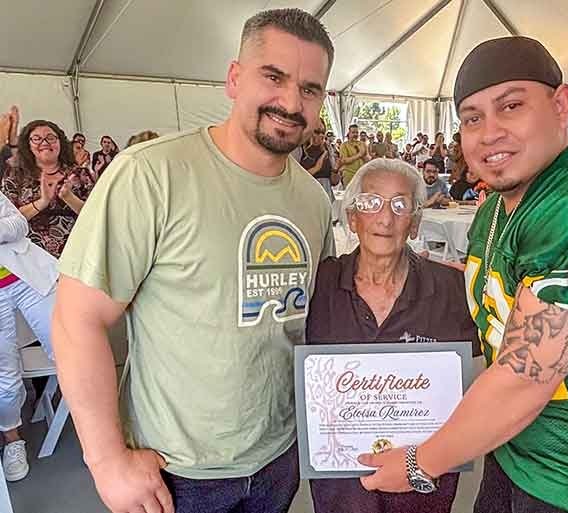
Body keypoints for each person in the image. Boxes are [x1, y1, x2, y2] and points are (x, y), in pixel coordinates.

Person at [358, 36, 568, 513]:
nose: (489, 133)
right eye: (472, 118)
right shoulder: (496, 213)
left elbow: (524, 379)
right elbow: (494, 294)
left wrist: (419, 463)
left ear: (559, 105)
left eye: (510, 106)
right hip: (515, 456)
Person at [52, 9, 336, 513]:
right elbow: (77, 320)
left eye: (310, 89)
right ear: (233, 78)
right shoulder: (151, 174)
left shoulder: (313, 200)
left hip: (278, 459)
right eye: (274, 77)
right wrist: (107, 461)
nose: (291, 102)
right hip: (175, 471)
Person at [307, 158, 478, 513]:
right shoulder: (318, 286)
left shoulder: (452, 290)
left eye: (400, 206)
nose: (385, 219)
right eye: (371, 204)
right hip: (342, 484)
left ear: (415, 224)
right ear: (352, 218)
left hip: (422, 483)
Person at [0, 191, 58, 482]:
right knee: (5, 378)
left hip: (26, 277)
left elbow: (19, 225)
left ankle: (96, 427)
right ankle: (12, 439)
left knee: (69, 347)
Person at [1, 120, 94, 258]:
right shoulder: (15, 175)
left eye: (50, 138)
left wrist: (69, 197)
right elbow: (8, 219)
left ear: (60, 143)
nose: (44, 142)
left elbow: (95, 215)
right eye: (37, 139)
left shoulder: (80, 174)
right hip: (30, 256)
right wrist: (42, 202)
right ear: (28, 145)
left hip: (77, 251)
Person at [300, 119, 335, 201]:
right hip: (306, 194)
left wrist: (335, 170)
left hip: (326, 193)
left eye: (323, 132)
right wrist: (316, 168)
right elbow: (296, 178)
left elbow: (334, 181)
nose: (321, 135)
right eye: (317, 131)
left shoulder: (327, 149)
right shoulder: (300, 148)